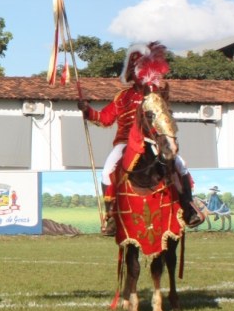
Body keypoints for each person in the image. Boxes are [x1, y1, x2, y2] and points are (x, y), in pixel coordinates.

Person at [78, 41, 200, 233]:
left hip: (152, 140)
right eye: (136, 68)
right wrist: (87, 111)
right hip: (125, 143)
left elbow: (164, 116)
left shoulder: (155, 94)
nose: (139, 72)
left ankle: (188, 207)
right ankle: (113, 216)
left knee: (180, 165)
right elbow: (105, 119)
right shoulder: (122, 97)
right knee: (107, 171)